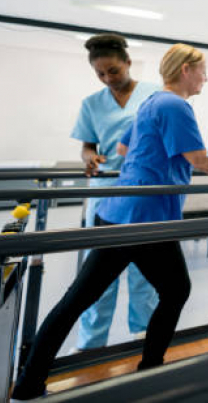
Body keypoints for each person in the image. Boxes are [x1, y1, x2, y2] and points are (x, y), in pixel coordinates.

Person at [11, 43, 208, 400]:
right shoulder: (174, 104)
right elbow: (199, 159)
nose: (205, 78)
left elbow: (122, 150)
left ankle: (28, 386)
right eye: (202, 71)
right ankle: (150, 370)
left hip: (120, 212)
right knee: (175, 290)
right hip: (145, 218)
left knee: (79, 300)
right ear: (186, 70)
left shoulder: (151, 103)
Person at [70, 33, 159, 350]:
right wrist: (89, 158)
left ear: (128, 63)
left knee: (143, 274)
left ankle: (145, 338)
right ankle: (90, 346)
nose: (108, 78)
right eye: (101, 74)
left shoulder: (155, 95)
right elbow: (86, 146)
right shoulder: (92, 104)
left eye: (114, 71)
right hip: (105, 193)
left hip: (143, 193)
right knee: (98, 278)